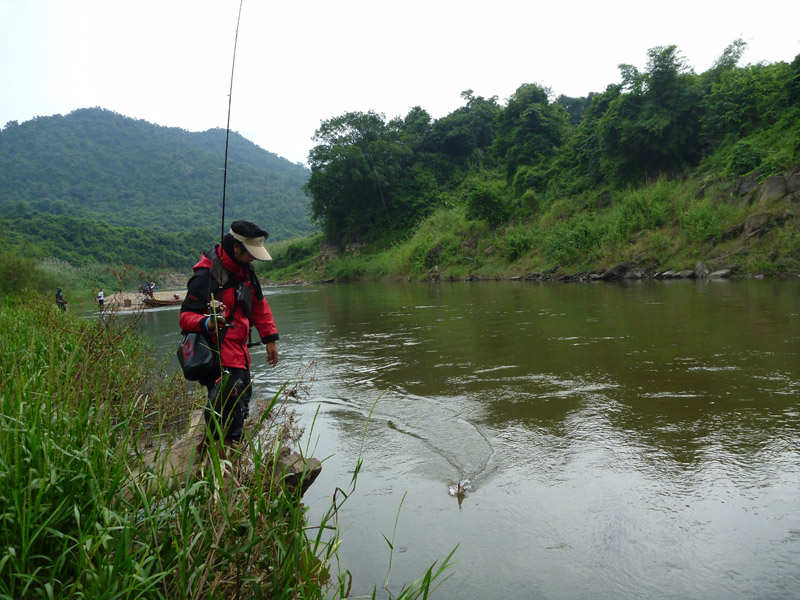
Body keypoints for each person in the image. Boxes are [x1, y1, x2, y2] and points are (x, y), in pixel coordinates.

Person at [179, 220, 279, 455]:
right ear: (236, 248)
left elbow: (259, 306)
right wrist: (207, 322)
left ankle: (228, 452)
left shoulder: (246, 272)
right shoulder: (206, 276)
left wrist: (270, 339)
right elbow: (185, 318)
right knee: (228, 405)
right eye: (251, 253)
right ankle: (218, 455)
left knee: (242, 403)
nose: (254, 259)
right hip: (216, 354)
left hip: (240, 352)